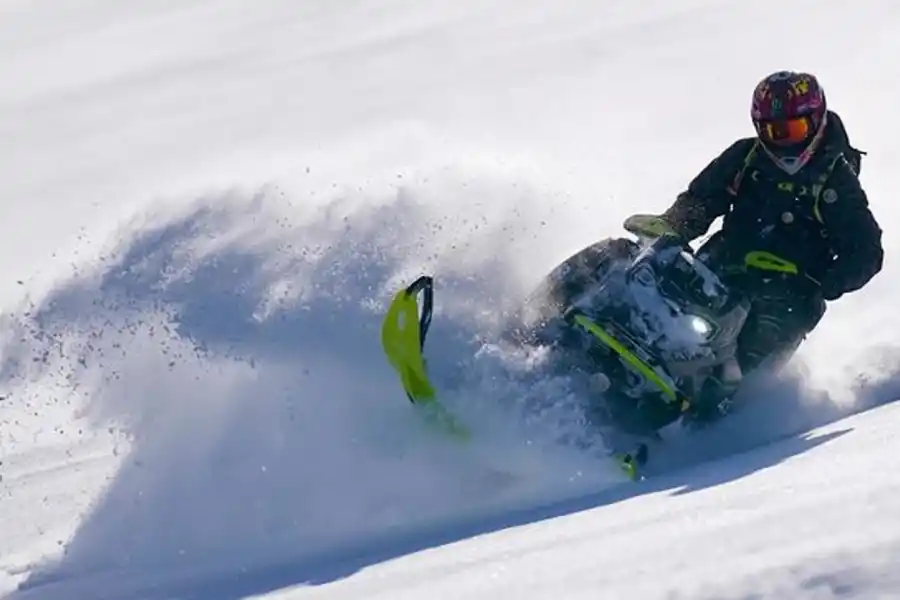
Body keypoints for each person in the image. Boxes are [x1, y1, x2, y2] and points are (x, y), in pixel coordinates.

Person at [630, 70, 884, 424]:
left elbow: (867, 249)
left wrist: (826, 281)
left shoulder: (835, 179)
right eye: (772, 132)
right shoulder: (745, 157)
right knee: (643, 271)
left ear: (816, 121)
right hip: (722, 266)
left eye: (792, 130)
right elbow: (701, 200)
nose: (783, 142)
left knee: (737, 363)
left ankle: (696, 427)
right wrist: (672, 227)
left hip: (788, 298)